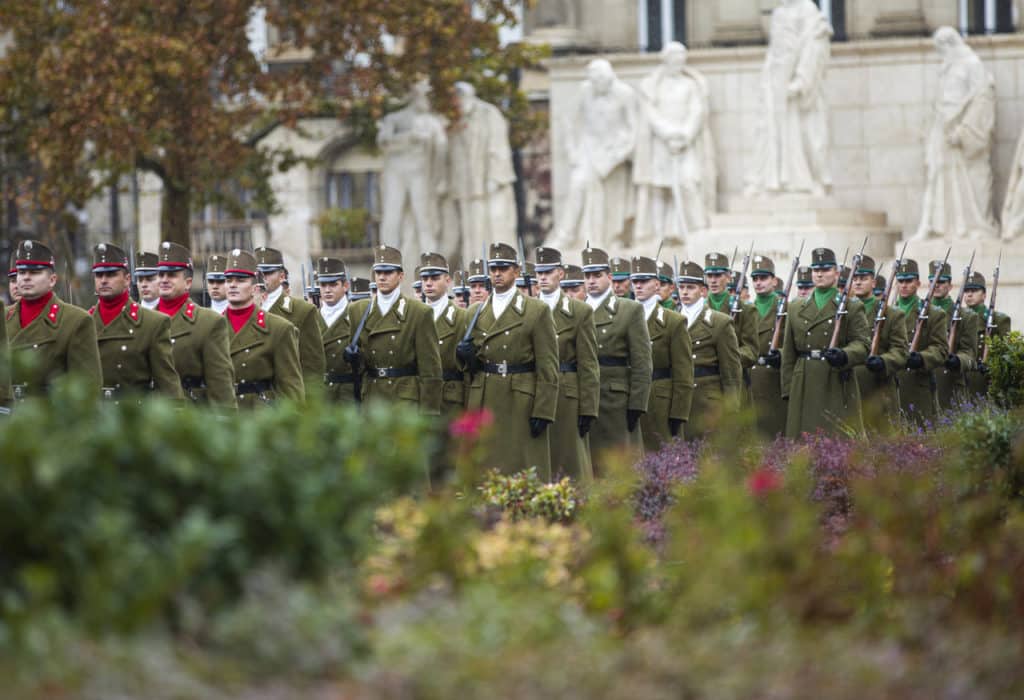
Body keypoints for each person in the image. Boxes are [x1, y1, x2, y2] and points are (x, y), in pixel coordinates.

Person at [459, 242, 559, 478]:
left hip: (520, 399)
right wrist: (467, 358)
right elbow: (470, 368)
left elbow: (548, 366)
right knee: (484, 468)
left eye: (503, 268)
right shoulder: (475, 312)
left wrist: (544, 411)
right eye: (493, 268)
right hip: (486, 396)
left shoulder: (536, 310)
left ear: (516, 271)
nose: (497, 273)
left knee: (521, 469)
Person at [546, 59, 637, 251]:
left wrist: (619, 154)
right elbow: (568, 119)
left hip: (614, 152)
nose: (597, 86)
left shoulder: (625, 93)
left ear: (609, 78)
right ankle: (567, 235)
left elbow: (634, 129)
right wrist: (573, 151)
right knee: (578, 183)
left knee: (612, 198)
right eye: (594, 82)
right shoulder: (585, 90)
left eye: (601, 82)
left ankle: (608, 238)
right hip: (589, 148)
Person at [745, 0, 833, 197]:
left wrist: (801, 80)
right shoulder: (779, 12)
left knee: (808, 134)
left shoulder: (807, 9)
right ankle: (772, 182)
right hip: (776, 78)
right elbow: (774, 49)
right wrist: (768, 78)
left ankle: (812, 181)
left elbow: (814, 43)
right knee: (771, 131)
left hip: (797, 80)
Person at [780, 247, 870, 438]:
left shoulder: (851, 306)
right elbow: (789, 353)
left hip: (834, 379)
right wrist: (789, 389)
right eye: (816, 269)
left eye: (826, 269)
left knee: (835, 441)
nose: (820, 273)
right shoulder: (796, 307)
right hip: (803, 380)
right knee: (801, 444)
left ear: (837, 273)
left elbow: (863, 344)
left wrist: (845, 354)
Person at [633, 41, 715, 245]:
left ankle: (695, 229)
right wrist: (669, 134)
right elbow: (650, 113)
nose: (678, 63)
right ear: (666, 60)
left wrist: (684, 135)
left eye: (681, 60)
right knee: (660, 188)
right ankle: (658, 234)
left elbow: (697, 112)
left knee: (688, 183)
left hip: (685, 144)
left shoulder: (690, 85)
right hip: (661, 145)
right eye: (674, 59)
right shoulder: (654, 86)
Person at [346, 245, 442, 414]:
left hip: (404, 400)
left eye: (388, 272)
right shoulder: (358, 311)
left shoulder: (418, 312)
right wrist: (354, 359)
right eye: (378, 273)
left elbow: (430, 370)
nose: (382, 277)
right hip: (372, 399)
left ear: (400, 276)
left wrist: (429, 412)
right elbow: (358, 368)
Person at [582, 247, 652, 471]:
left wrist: (637, 405)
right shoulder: (577, 311)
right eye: (587, 276)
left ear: (609, 277)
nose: (591, 281)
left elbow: (642, 362)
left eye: (597, 275)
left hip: (615, 402)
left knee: (617, 469)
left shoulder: (628, 310)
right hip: (584, 398)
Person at [535, 246, 600, 482]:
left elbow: (588, 364)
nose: (542, 277)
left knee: (571, 465)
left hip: (567, 395)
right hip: (536, 394)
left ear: (560, 274)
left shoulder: (579, 312)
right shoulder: (527, 310)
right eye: (539, 272)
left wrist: (589, 408)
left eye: (548, 271)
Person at [6, 240, 100, 399]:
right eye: (21, 272)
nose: (26, 278)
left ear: (52, 279)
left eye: (35, 272)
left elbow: (87, 388)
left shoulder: (75, 321)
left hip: (51, 418)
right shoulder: (4, 317)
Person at [88, 243, 181, 401]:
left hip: (136, 417)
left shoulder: (153, 323)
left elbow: (167, 383)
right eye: (99, 275)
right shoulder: (84, 322)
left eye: (111, 274)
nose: (103, 280)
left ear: (127, 279)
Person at [155, 242, 236, 406]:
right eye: (161, 274)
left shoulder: (208, 322)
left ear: (188, 282)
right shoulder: (143, 321)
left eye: (171, 275)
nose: (164, 279)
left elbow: (220, 384)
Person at [223, 249, 304, 406]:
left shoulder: (279, 329)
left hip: (261, 417)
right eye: (228, 280)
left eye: (240, 280)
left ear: (255, 288)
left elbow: (291, 388)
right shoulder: (212, 326)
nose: (233, 285)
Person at [449, 81, 517, 266]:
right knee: (471, 230)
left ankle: (500, 265)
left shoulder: (488, 113)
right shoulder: (456, 120)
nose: (456, 102)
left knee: (496, 224)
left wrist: (496, 176)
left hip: (491, 181)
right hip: (467, 185)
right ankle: (475, 267)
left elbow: (499, 146)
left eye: (458, 97)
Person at [377, 79, 447, 253]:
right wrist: (409, 137)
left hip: (420, 173)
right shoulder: (395, 118)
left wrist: (441, 178)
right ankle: (388, 258)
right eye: (426, 96)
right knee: (392, 216)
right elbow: (383, 142)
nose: (429, 101)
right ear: (416, 96)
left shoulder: (433, 122)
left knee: (424, 218)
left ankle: (430, 259)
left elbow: (442, 149)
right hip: (396, 172)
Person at [631, 256, 693, 451]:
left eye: (644, 281)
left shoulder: (673, 321)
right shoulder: (623, 317)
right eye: (635, 281)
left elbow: (683, 372)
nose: (638, 286)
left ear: (657, 284)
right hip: (629, 399)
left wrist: (678, 414)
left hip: (659, 402)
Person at [675, 261, 742, 440]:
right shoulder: (671, 320)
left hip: (707, 401)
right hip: (679, 400)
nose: (684, 292)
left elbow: (731, 371)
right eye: (681, 287)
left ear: (703, 291)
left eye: (690, 287)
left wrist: (732, 409)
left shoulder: (720, 322)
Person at [255, 246, 326, 389]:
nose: (262, 278)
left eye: (268, 273)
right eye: (258, 273)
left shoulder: (302, 311)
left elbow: (313, 367)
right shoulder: (246, 310)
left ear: (282, 276)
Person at [850, 256, 907, 426]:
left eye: (864, 278)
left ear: (873, 282)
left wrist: (884, 361)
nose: (858, 282)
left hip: (878, 389)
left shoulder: (892, 314)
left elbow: (901, 351)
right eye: (855, 278)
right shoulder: (842, 312)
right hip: (850, 388)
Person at [894, 259, 948, 424]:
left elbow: (941, 349)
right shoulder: (887, 312)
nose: (903, 285)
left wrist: (922, 358)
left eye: (908, 281)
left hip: (917, 384)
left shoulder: (933, 313)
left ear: (918, 283)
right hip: (890, 385)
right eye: (900, 281)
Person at [419, 252, 470, 417]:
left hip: (449, 401)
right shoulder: (413, 315)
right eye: (425, 279)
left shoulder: (460, 317)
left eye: (434, 278)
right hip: (419, 398)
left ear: (447, 281)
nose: (428, 283)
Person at [927, 259, 978, 410]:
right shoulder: (919, 313)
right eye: (932, 281)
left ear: (950, 286)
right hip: (921, 385)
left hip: (950, 383)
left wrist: (958, 360)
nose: (936, 284)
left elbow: (970, 353)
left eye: (941, 282)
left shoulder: (966, 316)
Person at [748, 256, 788, 438]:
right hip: (751, 377)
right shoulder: (746, 309)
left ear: (774, 281)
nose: (758, 283)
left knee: (775, 433)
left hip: (774, 378)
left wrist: (781, 354)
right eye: (755, 279)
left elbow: (794, 342)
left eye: (763, 278)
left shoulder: (785, 308)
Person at [704, 252, 758, 371]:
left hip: (733, 376)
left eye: (718, 275)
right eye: (709, 275)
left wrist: (727, 356)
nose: (713, 280)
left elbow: (751, 350)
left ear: (728, 277)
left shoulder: (744, 309)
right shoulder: (698, 308)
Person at [962, 271, 1011, 398]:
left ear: (984, 295)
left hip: (985, 382)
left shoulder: (998, 320)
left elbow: (1005, 353)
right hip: (961, 381)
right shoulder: (958, 320)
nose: (969, 294)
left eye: (974, 290)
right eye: (966, 291)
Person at [316, 256, 356, 402]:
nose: (327, 290)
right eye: (323, 285)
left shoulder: (356, 315)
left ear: (345, 286)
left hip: (348, 395)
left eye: (333, 284)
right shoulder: (311, 317)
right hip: (320, 395)